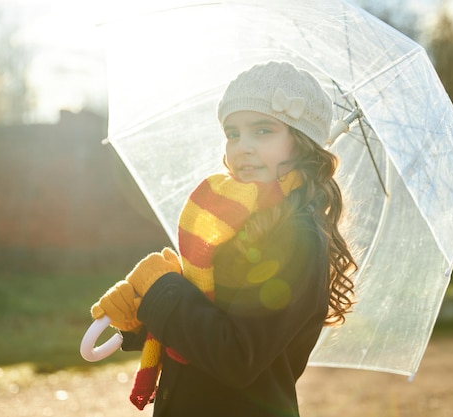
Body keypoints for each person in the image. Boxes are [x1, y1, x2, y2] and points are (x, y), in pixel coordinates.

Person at [90, 61, 357, 417]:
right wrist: (142, 315)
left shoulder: (296, 236)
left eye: (263, 131)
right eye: (233, 133)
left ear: (303, 145)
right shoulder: (232, 219)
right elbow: (206, 319)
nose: (242, 146)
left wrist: (163, 290)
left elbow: (236, 355)